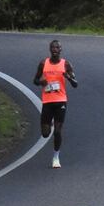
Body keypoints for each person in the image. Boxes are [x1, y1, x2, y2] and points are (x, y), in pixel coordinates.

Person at [34, 40, 77, 169]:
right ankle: (49, 123)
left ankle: (56, 157)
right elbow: (35, 79)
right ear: (49, 49)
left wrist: (68, 77)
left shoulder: (66, 64)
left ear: (60, 49)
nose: (54, 49)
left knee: (57, 132)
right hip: (47, 101)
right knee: (45, 134)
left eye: (57, 47)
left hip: (60, 101)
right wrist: (41, 82)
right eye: (52, 47)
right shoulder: (43, 63)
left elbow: (76, 84)